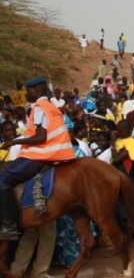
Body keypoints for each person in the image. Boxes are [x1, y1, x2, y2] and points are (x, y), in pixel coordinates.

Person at [0, 76, 75, 240]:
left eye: (29, 91)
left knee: (2, 179)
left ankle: (9, 225)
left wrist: (14, 141)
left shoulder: (40, 107)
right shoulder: (51, 106)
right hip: (51, 153)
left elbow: (40, 137)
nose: (26, 94)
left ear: (38, 90)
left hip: (40, 154)